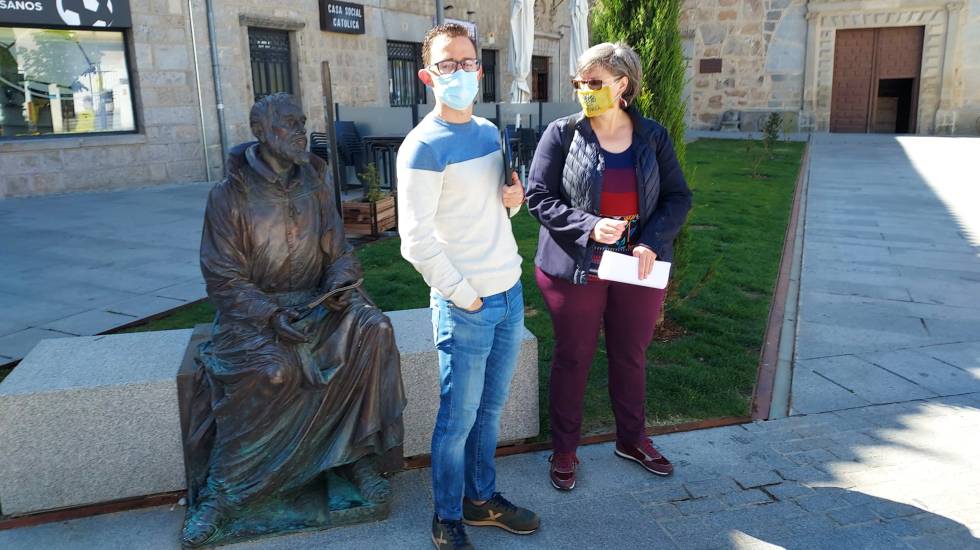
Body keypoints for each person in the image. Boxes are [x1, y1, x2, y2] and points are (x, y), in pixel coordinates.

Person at [181, 93, 406, 547]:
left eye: (302, 122)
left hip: (320, 304)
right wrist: (270, 315)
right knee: (274, 370)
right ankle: (225, 493)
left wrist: (338, 287)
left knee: (374, 331)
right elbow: (223, 278)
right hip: (255, 315)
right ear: (261, 133)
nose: (300, 131)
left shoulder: (317, 182)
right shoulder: (229, 196)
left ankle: (355, 456)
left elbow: (341, 253)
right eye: (288, 124)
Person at [397, 23, 540, 550]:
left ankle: (482, 500)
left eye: (467, 62)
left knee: (491, 412)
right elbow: (415, 243)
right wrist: (466, 296)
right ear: (427, 76)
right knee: (456, 422)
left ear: (480, 68)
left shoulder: (487, 131)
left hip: (509, 294)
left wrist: (514, 199)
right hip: (467, 306)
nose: (459, 72)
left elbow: (500, 208)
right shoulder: (420, 147)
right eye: (446, 64)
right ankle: (447, 515)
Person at [526, 42, 692, 492]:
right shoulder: (562, 133)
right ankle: (564, 449)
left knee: (630, 355)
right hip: (575, 266)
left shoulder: (653, 136)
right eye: (578, 82)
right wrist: (587, 225)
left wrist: (652, 244)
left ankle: (632, 439)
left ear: (623, 85)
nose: (583, 90)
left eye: (594, 82)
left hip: (637, 267)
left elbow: (679, 197)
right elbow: (537, 198)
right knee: (573, 356)